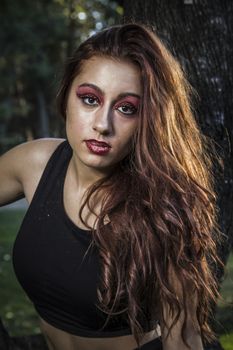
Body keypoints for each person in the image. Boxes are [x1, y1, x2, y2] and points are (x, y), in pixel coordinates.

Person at [0, 23, 223, 350]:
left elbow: (184, 337)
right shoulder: (34, 163)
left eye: (126, 108)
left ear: (149, 119)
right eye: (90, 99)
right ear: (66, 98)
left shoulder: (162, 208)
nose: (103, 124)